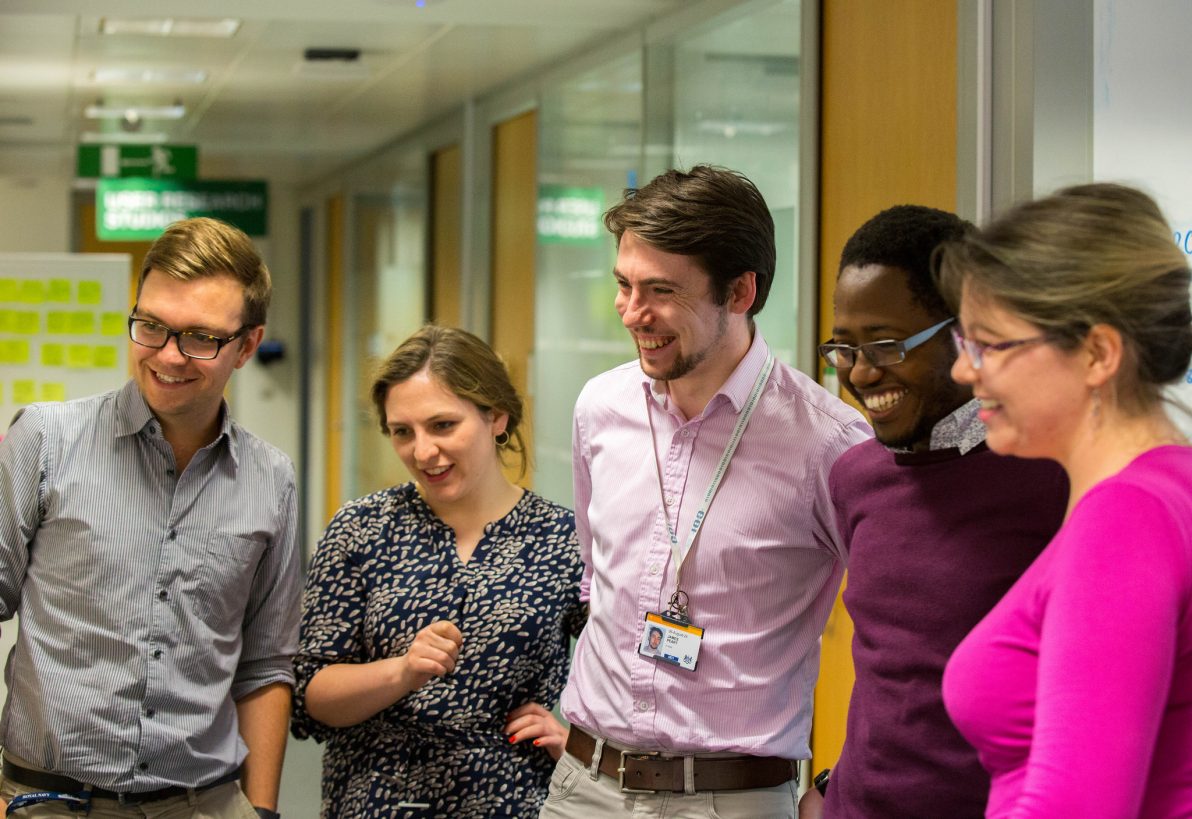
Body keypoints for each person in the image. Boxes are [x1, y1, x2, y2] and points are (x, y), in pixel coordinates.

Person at [540, 165, 872, 819]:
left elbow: (900, 637)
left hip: (731, 798)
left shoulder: (827, 443)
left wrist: (845, 782)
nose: (633, 313)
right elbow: (595, 578)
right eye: (624, 286)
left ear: (741, 291)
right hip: (582, 787)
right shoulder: (600, 407)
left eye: (661, 291)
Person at [0, 217, 301, 817]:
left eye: (199, 337)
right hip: (49, 800)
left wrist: (261, 811)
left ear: (246, 345)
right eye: (151, 326)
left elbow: (266, 663)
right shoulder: (44, 439)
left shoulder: (272, 479)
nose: (168, 355)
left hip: (204, 803)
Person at [798, 206, 1067, 819]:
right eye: (844, 347)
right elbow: (893, 677)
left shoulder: (1051, 478)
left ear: (963, 334)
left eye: (888, 344)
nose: (862, 373)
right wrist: (830, 788)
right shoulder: (855, 477)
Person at [938, 183, 1192, 817]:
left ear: (1098, 354)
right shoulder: (1168, 487)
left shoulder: (1126, 518)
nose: (963, 373)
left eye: (989, 345)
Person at [292, 325, 585, 818]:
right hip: (377, 800)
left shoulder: (564, 538)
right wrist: (401, 672)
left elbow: (629, 673)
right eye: (403, 432)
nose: (423, 452)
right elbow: (313, 695)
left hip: (513, 801)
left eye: (443, 425)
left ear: (496, 417)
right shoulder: (361, 528)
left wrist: (578, 742)